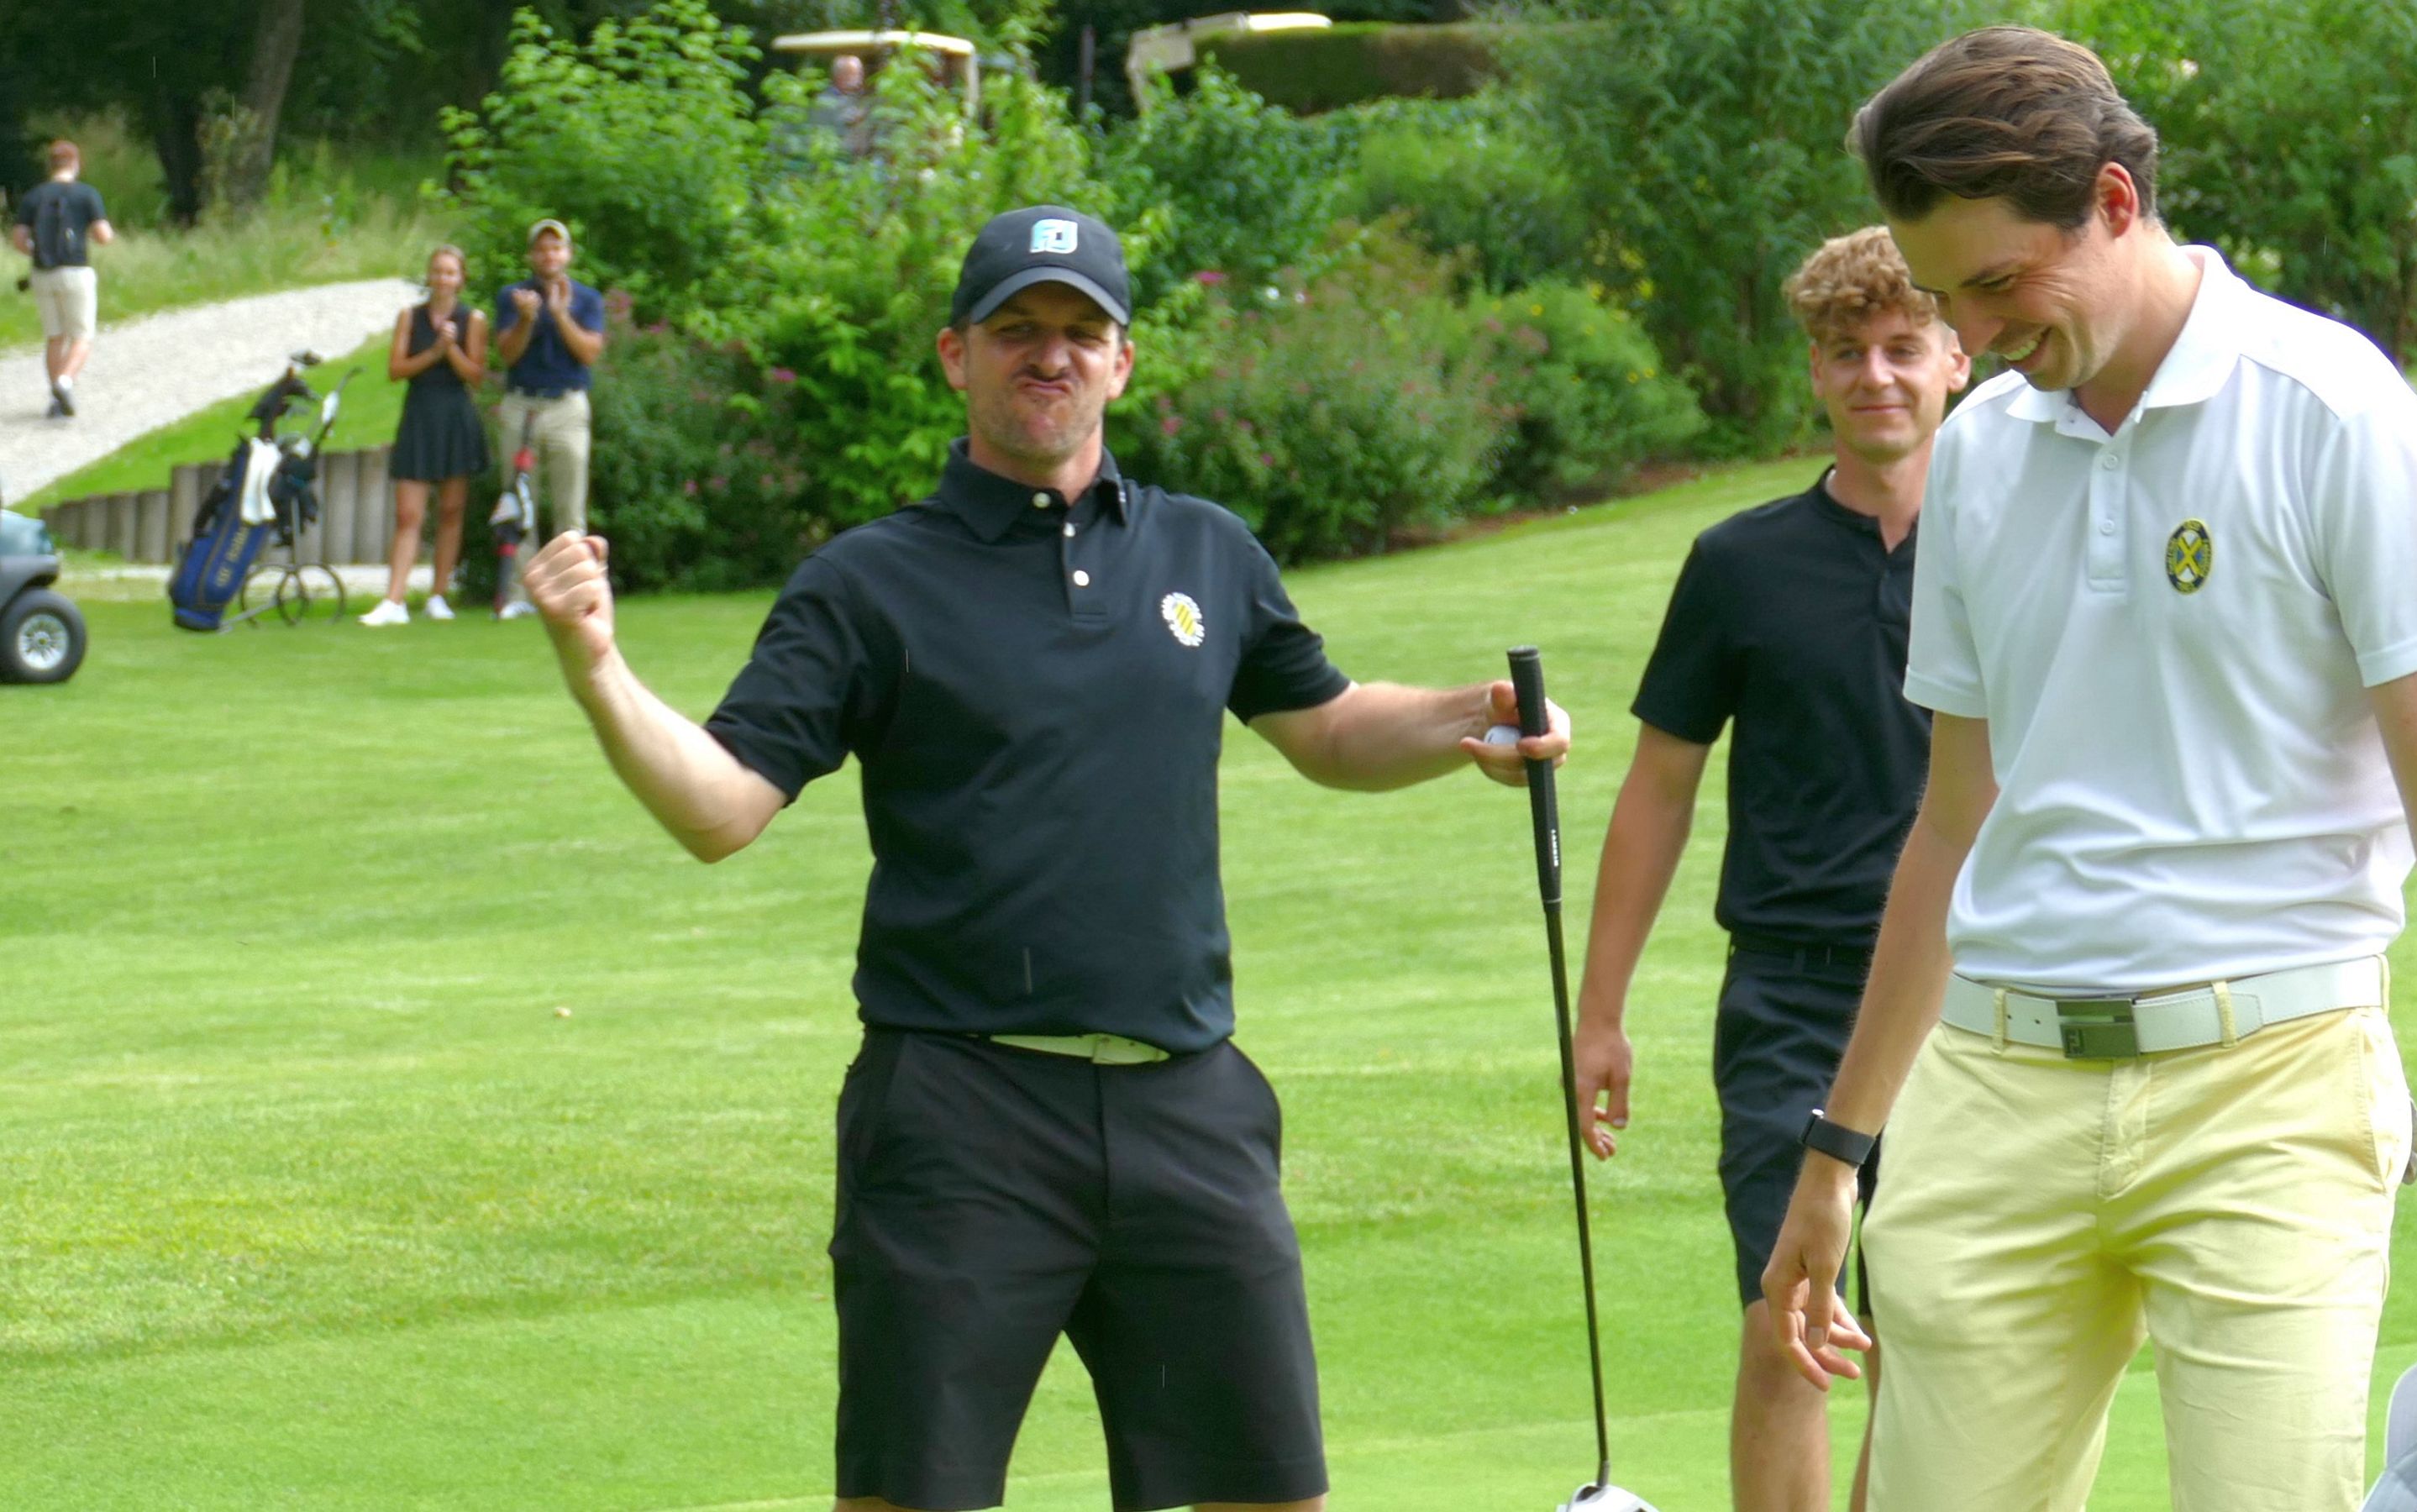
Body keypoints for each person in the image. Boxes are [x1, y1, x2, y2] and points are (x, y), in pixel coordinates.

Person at [519, 204, 1573, 1512]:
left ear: (1123, 363)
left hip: (1188, 1101)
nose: (1052, 356)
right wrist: (599, 667)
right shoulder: (869, 584)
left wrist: (1470, 717)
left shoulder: (1207, 553)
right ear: (956, 354)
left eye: (1084, 332)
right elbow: (721, 808)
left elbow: (1328, 725)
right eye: (1019, 330)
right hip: (960, 1114)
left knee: (1273, 1495)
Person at [1760, 27, 2417, 1512]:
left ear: (2113, 203)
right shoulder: (1978, 457)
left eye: (2001, 285)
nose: (1977, 330)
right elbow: (1953, 825)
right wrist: (1839, 1155)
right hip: (1988, 1090)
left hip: (2272, 1089)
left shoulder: (2335, 414)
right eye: (1946, 293)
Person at [1571, 226, 1962, 1512]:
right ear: (1813, 373)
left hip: (1979, 1004)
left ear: (1958, 356)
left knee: (1944, 1343)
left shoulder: (2016, 548)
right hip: (1793, 1002)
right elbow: (1658, 789)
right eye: (1847, 352)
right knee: (1790, 1315)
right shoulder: (1740, 565)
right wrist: (1602, 1011)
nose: (1878, 376)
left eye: (1905, 347)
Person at [362, 245, 491, 627]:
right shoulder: (410, 317)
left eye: (450, 272)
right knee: (408, 514)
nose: (443, 279)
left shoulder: (474, 319)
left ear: (461, 278)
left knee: (451, 511)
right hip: (420, 414)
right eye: (437, 271)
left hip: (455, 416)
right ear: (429, 275)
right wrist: (434, 351)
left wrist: (450, 351)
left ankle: (438, 595)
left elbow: (477, 375)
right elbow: (396, 369)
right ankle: (394, 600)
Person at [493, 218, 602, 586]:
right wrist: (527, 319)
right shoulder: (513, 296)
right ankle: (521, 596)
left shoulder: (587, 299)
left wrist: (559, 314)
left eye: (556, 248)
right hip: (521, 407)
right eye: (542, 248)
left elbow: (588, 352)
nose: (549, 255)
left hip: (567, 409)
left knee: (570, 509)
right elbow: (507, 354)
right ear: (531, 255)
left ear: (567, 254)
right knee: (520, 505)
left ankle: (571, 590)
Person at [9, 139, 114, 418]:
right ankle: (64, 384)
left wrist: (36, 249)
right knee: (82, 337)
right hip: (76, 271)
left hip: (42, 273)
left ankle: (56, 402)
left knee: (55, 337)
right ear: (75, 164)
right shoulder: (86, 195)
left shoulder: (34, 196)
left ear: (51, 166)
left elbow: (18, 240)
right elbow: (104, 237)